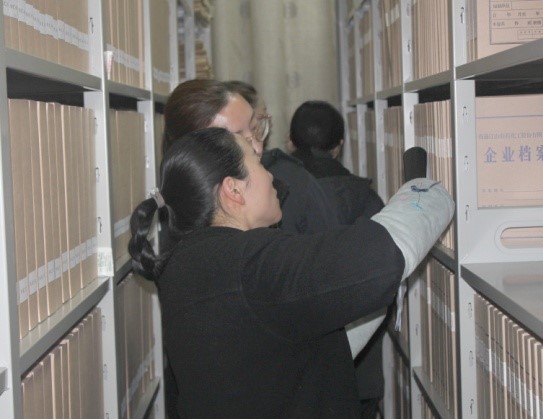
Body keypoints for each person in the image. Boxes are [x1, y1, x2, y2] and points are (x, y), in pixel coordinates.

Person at [128, 126, 454, 417]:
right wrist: (425, 189)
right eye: (258, 163)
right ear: (233, 190)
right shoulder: (250, 262)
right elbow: (380, 257)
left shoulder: (185, 261)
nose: (272, 177)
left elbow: (281, 350)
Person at [289, 100, 387, 417]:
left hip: (294, 376)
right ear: (339, 146)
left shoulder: (274, 199)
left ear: (290, 143)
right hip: (359, 372)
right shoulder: (369, 201)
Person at [164, 79, 339, 234]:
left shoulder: (293, 182)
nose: (257, 147)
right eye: (238, 140)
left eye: (255, 128)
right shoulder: (179, 224)